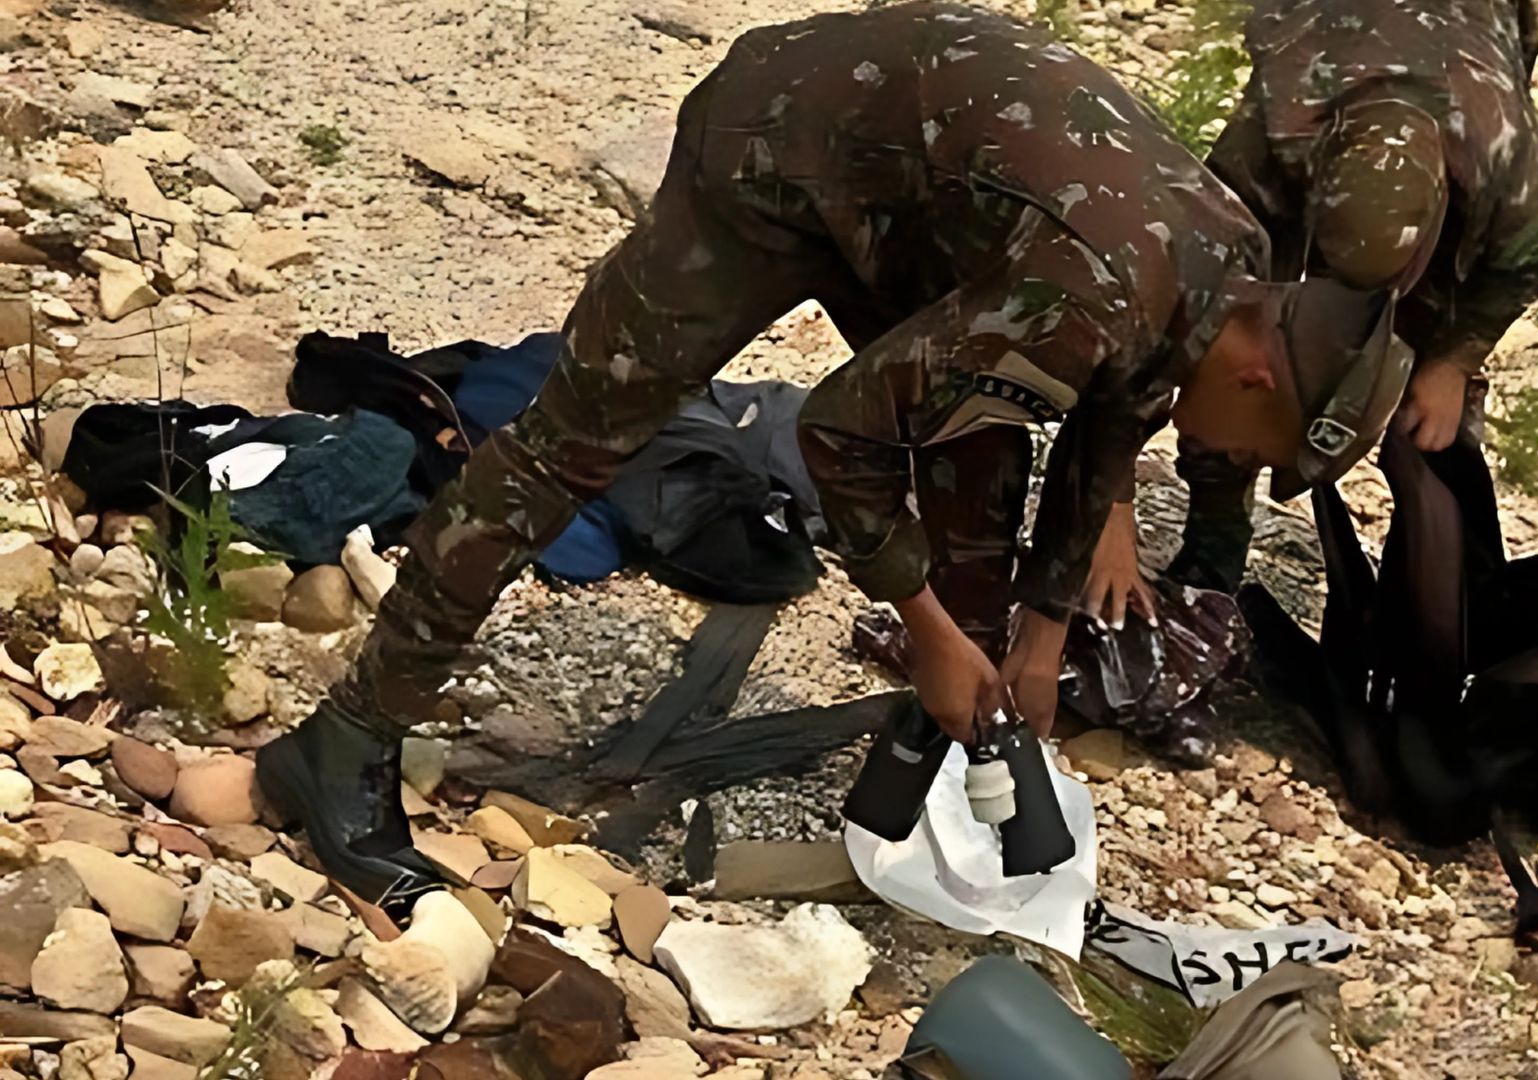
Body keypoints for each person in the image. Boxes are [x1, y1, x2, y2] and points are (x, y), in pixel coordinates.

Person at [255, 1, 1410, 905]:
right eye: (1263, 453)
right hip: (778, 148)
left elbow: (1111, 425)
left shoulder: (1233, 268)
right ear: (1262, 374)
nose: (1237, 468)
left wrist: (1042, 634)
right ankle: (345, 742)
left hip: (916, 200)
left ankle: (945, 739)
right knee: (571, 447)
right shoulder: (1103, 290)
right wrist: (928, 627)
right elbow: (838, 432)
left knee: (982, 470)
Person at [1157, 0, 1538, 592]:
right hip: (1339, 37)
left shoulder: (1507, 169)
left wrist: (1455, 361)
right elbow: (1193, 307)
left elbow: (1528, 258)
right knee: (1231, 347)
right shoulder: (1272, 134)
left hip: (1468, 46)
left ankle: (1433, 583)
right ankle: (1213, 547)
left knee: (1431, 389)